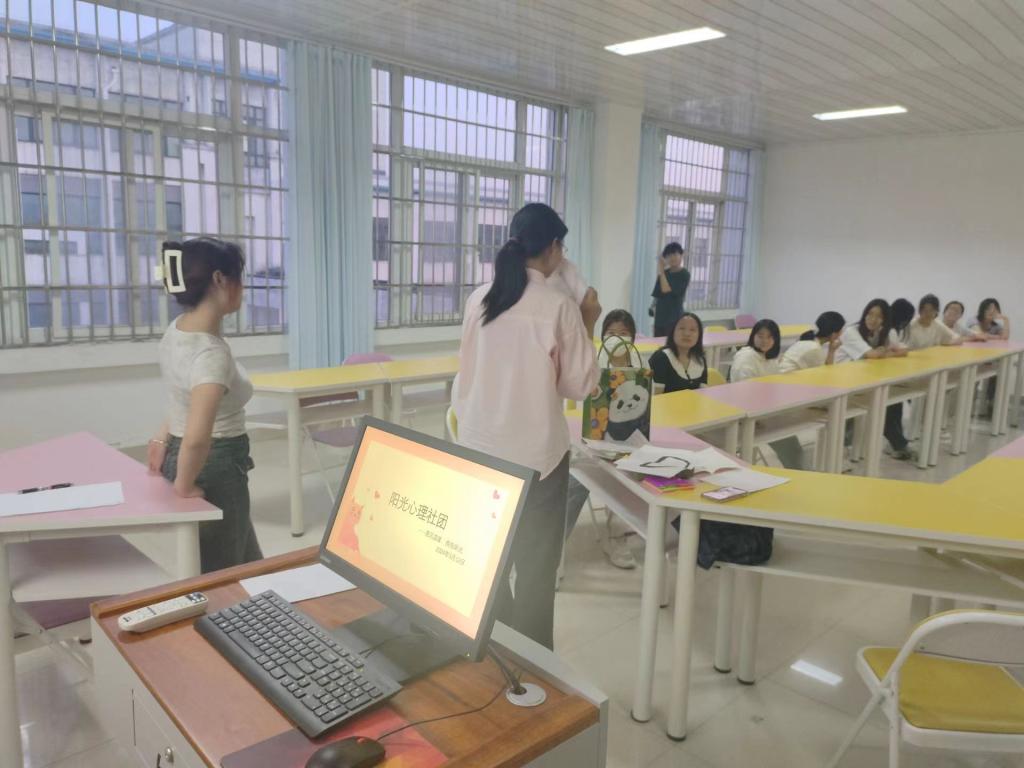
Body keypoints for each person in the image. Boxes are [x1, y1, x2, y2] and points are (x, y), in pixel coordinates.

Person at [452, 203, 601, 649]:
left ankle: (496, 648)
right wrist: (589, 322)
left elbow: (466, 369)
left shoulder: (479, 298)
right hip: (538, 459)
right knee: (535, 570)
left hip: (479, 448)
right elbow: (580, 385)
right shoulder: (559, 307)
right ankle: (533, 665)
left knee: (487, 562)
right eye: (562, 247)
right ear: (553, 248)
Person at [148, 238, 263, 573]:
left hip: (184, 453)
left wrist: (162, 437)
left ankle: (264, 596)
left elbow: (181, 398)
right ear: (219, 279)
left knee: (244, 554)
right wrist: (184, 486)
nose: (243, 288)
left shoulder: (177, 331)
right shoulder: (211, 354)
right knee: (222, 569)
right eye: (239, 277)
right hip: (215, 463)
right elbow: (199, 437)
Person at [568, 309, 642, 569]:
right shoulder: (593, 365)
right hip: (593, 441)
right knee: (576, 479)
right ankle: (554, 547)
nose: (618, 339)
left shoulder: (640, 367)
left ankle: (618, 536)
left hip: (628, 441)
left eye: (624, 333)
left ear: (633, 337)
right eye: (611, 333)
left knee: (630, 477)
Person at [836, 299, 913, 460]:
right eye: (870, 314)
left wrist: (883, 351)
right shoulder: (852, 331)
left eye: (879, 316)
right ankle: (897, 444)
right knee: (880, 400)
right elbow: (873, 355)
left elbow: (904, 351)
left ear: (885, 319)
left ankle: (897, 444)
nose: (873, 319)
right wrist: (882, 352)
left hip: (864, 379)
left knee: (893, 397)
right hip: (841, 381)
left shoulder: (884, 332)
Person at [649, 313, 708, 392]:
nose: (687, 334)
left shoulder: (700, 359)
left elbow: (703, 394)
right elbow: (656, 396)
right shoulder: (660, 358)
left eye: (692, 330)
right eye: (682, 328)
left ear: (699, 335)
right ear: (673, 331)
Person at [779, 311, 845, 373]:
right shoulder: (814, 348)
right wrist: (831, 351)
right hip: (786, 379)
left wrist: (831, 350)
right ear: (833, 334)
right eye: (841, 330)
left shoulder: (810, 340)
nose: (841, 333)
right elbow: (827, 373)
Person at [651, 242, 691, 337]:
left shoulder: (684, 274)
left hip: (674, 319)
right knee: (658, 344)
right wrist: (654, 319)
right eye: (668, 256)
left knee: (672, 344)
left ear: (681, 255)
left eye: (675, 254)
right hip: (660, 320)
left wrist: (661, 271)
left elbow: (666, 289)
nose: (672, 258)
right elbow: (657, 296)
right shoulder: (664, 273)